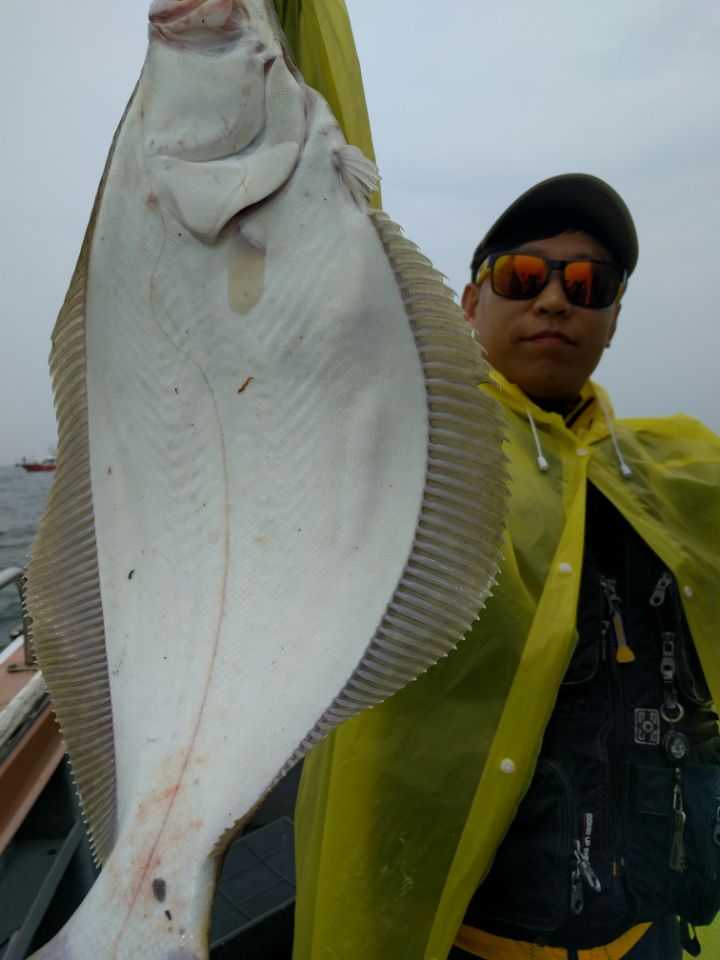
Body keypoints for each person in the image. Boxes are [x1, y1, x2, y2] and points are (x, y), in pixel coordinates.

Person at [291, 174, 720, 960]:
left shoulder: (673, 468)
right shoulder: (408, 451)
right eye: (522, 276)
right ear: (469, 302)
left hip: (651, 932)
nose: (554, 301)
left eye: (588, 285)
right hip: (461, 939)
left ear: (613, 319)